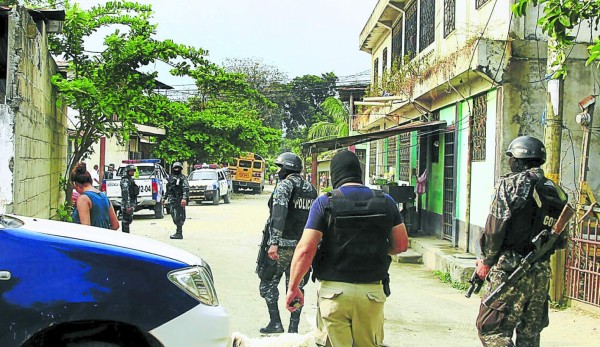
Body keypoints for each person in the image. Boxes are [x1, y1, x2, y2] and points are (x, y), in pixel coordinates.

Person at [285, 149, 409, 347]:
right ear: (358, 172)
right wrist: (376, 248)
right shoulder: (386, 202)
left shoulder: (324, 202)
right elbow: (401, 245)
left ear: (335, 174)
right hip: (371, 294)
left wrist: (293, 288)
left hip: (334, 295)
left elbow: (305, 250)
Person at [475, 136, 569, 347]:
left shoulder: (510, 185)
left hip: (510, 270)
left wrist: (486, 260)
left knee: (491, 330)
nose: (509, 162)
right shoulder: (557, 191)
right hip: (540, 273)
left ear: (518, 159)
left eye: (511, 157)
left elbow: (495, 228)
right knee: (530, 335)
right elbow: (561, 239)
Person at [259, 152, 317, 334]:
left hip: (282, 246)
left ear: (286, 168)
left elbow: (279, 214)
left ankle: (275, 323)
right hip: (302, 247)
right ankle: (293, 330)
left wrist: (273, 242)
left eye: (279, 167)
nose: (277, 171)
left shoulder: (284, 185)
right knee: (296, 286)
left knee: (267, 283)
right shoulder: (311, 188)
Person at [70, 162, 119, 230]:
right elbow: (115, 225)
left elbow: (86, 229)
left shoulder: (83, 199)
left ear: (75, 184)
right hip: (103, 239)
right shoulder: (104, 196)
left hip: (91, 239)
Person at [166, 162, 189, 239]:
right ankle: (178, 231)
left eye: (178, 168)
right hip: (172, 200)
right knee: (174, 215)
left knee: (179, 216)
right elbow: (168, 189)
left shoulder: (183, 178)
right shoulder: (171, 178)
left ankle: (179, 233)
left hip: (180, 199)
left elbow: (186, 189)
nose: (176, 169)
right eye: (175, 168)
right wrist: (164, 198)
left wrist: (184, 198)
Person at [120, 164, 138, 233]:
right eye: (131, 171)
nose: (132, 172)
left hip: (131, 203)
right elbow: (125, 193)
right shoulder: (125, 180)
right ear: (127, 171)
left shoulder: (130, 180)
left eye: (133, 171)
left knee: (129, 220)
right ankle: (125, 236)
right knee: (126, 221)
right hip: (127, 204)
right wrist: (127, 206)